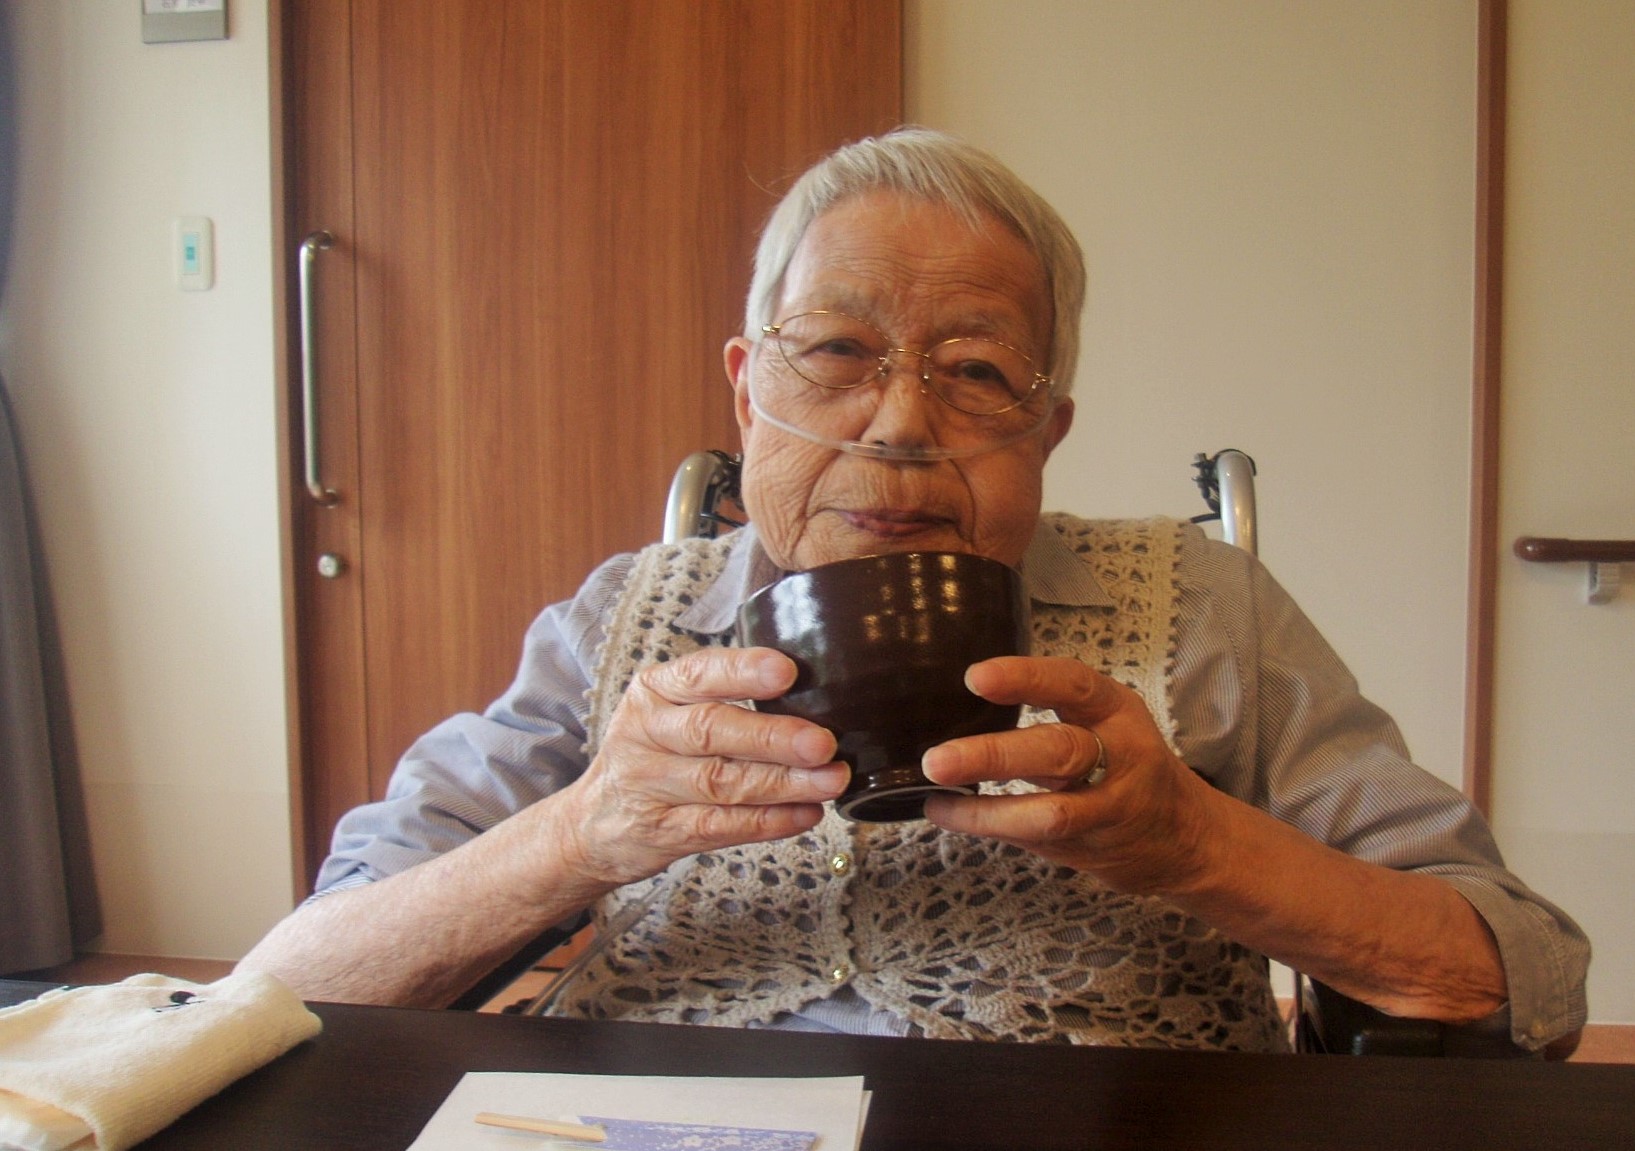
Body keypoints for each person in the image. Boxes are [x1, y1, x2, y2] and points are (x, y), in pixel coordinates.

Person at [239, 128, 1588, 1053]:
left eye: (979, 373)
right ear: (747, 392)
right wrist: (586, 830)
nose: (897, 425)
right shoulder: (623, 619)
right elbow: (296, 980)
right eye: (835, 352)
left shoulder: (1200, 605)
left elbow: (1517, 972)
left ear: (1048, 433)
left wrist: (1198, 848)